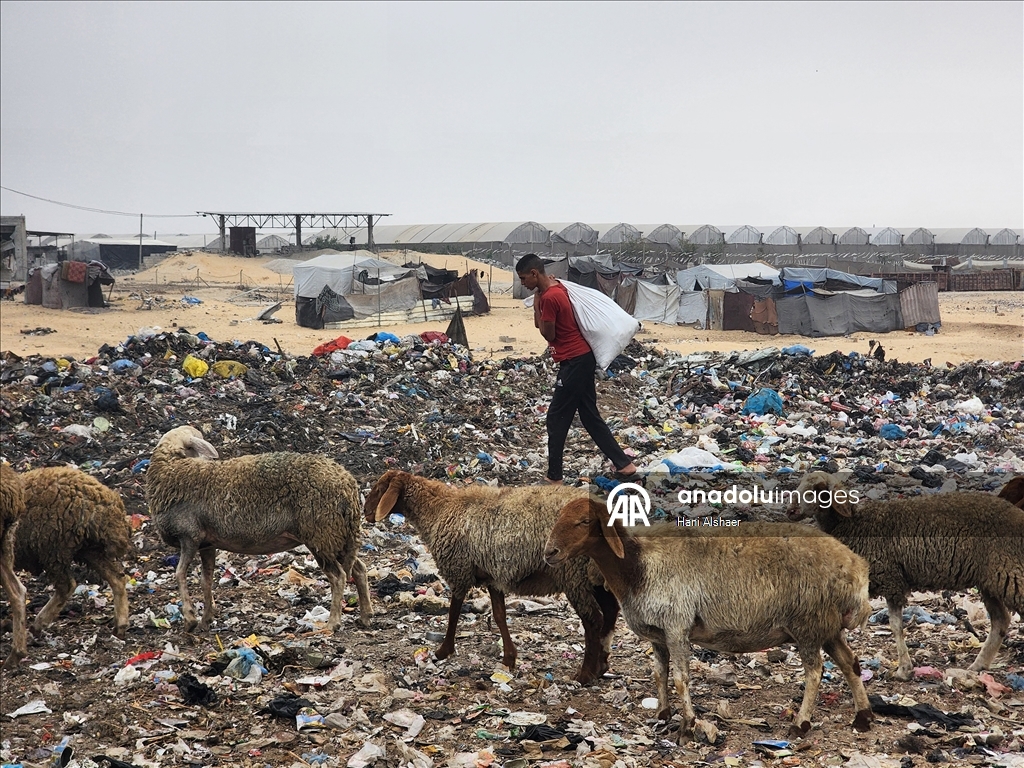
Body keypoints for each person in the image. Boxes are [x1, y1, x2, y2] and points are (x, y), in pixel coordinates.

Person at [515, 253, 639, 485]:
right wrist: (538, 300)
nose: (523, 284)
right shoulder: (554, 288)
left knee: (556, 418)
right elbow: (539, 322)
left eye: (524, 278)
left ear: (534, 273)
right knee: (589, 416)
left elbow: (547, 333)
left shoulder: (550, 297)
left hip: (574, 362)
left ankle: (554, 478)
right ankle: (625, 465)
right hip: (581, 359)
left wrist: (539, 302)